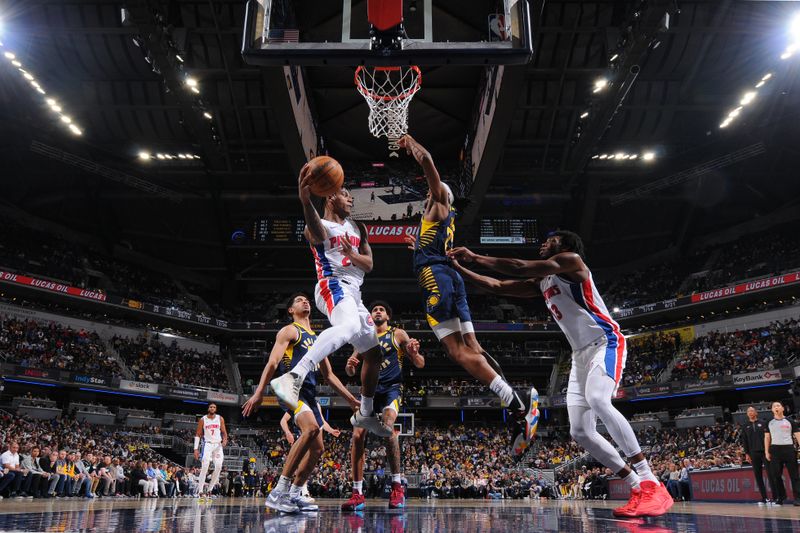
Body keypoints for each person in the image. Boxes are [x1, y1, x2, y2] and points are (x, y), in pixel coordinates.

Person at [447, 230, 673, 518]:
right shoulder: (543, 281)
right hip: (579, 355)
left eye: (549, 240)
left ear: (564, 245)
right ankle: (636, 485)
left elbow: (519, 266)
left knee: (599, 400)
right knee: (579, 431)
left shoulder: (571, 261)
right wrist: (460, 269)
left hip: (606, 341)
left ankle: (651, 481)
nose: (544, 243)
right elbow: (499, 285)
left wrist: (475, 256)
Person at [397, 134, 538, 456]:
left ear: (440, 196)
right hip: (451, 278)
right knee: (474, 347)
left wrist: (412, 143)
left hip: (437, 279)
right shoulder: (440, 223)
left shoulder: (438, 204)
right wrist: (416, 246)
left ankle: (516, 403)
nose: (429, 195)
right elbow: (433, 246)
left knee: (457, 353)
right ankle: (518, 404)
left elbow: (428, 161)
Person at [269, 166, 391, 438]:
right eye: (346, 195)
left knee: (373, 353)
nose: (351, 200)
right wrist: (305, 201)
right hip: (331, 285)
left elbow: (369, 264)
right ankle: (294, 376)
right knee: (347, 326)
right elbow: (316, 233)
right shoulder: (319, 225)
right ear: (331, 196)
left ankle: (366, 414)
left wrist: (353, 254)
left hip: (355, 293)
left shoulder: (358, 227)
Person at [242, 292, 361, 513]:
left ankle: (295, 494)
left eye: (306, 299)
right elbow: (273, 362)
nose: (305, 301)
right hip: (290, 388)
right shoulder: (290, 330)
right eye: (299, 300)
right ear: (290, 310)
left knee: (317, 449)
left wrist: (351, 399)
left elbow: (329, 375)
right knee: (311, 429)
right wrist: (259, 392)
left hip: (308, 393)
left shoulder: (317, 338)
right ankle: (278, 492)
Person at [341, 301, 425, 511]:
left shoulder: (398, 334)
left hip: (390, 390)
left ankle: (397, 486)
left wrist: (414, 353)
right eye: (374, 310)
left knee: (388, 429)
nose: (377, 311)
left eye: (381, 309)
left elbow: (420, 363)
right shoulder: (364, 337)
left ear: (387, 316)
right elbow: (350, 371)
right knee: (358, 435)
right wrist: (350, 367)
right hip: (369, 391)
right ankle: (357, 493)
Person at [764, 401, 800, 506]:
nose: (776, 407)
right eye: (774, 406)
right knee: (776, 475)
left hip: (789, 449)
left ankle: (798, 498)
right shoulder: (769, 422)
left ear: (783, 408)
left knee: (794, 475)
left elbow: (798, 435)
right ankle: (781, 497)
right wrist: (766, 451)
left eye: (778, 405)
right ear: (772, 410)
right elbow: (767, 438)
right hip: (775, 450)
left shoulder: (790, 421)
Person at [194, 403, 228, 501]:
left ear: (215, 409)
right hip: (208, 444)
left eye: (214, 407)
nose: (212, 408)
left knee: (218, 466)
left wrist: (225, 440)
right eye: (211, 407)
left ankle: (209, 490)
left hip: (218, 445)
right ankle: (200, 491)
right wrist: (196, 449)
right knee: (205, 466)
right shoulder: (203, 419)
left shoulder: (220, 418)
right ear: (208, 408)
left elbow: (224, 432)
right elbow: (198, 434)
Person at [741, 406, 770, 505]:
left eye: (752, 410)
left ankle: (776, 497)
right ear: (747, 414)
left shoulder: (763, 423)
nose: (750, 412)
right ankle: (764, 498)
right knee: (758, 476)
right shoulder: (745, 426)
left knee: (770, 474)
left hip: (765, 452)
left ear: (756, 412)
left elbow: (768, 437)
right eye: (748, 411)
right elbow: (744, 440)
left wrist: (769, 451)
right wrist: (747, 454)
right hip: (753, 453)